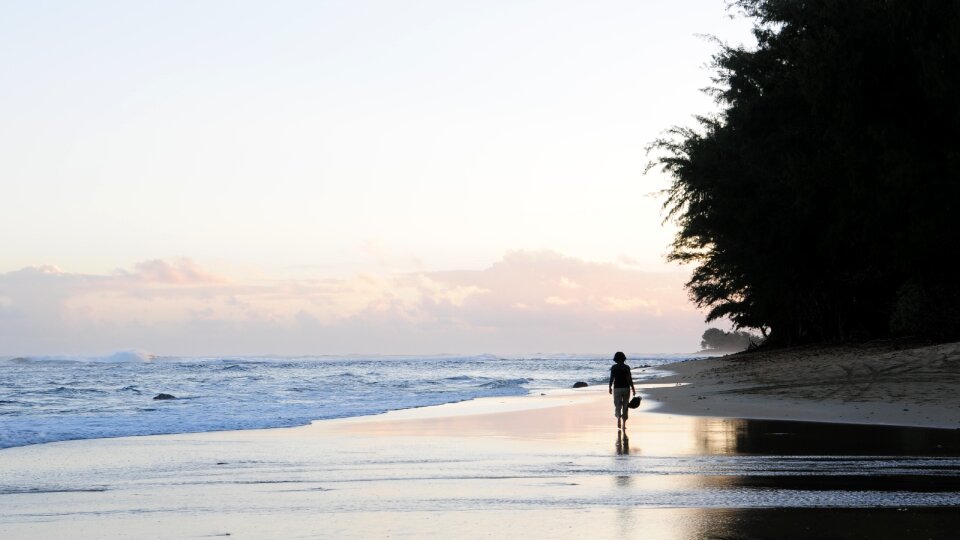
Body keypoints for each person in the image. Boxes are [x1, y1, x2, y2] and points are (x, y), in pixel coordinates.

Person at [608, 351, 635, 430]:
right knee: (626, 405)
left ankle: (618, 417)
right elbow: (629, 379)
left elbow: (611, 378)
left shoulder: (614, 367)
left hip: (617, 388)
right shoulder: (626, 367)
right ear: (623, 359)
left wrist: (610, 387)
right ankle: (624, 424)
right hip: (626, 388)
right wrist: (633, 388)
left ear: (616, 359)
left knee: (617, 405)